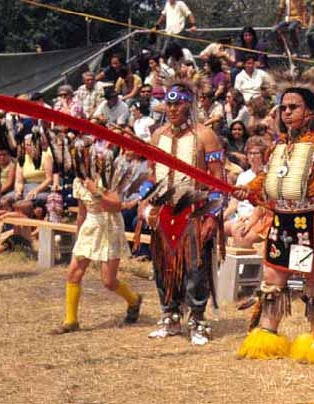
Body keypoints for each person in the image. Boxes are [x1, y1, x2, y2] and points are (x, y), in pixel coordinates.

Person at [234, 74, 314, 364]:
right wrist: (248, 189)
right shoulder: (284, 142)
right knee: (273, 279)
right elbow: (269, 177)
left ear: (310, 109)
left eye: (293, 107)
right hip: (284, 222)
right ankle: (267, 336)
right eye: (283, 108)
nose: (286, 113)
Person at [143, 82, 224, 345]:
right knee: (164, 266)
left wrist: (212, 216)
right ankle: (170, 316)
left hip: (195, 209)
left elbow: (217, 179)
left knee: (195, 267)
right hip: (165, 209)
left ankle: (197, 320)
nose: (173, 108)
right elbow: (152, 174)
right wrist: (145, 202)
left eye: (178, 103)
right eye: (169, 103)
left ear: (189, 103)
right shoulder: (157, 136)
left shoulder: (205, 136)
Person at [53, 146, 142, 334]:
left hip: (110, 227)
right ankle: (71, 320)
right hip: (91, 225)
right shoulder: (79, 181)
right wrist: (79, 235)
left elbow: (115, 206)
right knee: (73, 273)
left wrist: (95, 190)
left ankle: (133, 300)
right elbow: (82, 211)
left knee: (108, 281)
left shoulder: (109, 180)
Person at [224, 136, 271, 248]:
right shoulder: (243, 176)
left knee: (239, 232)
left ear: (263, 155)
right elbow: (233, 204)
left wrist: (250, 219)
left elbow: (265, 206)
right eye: (250, 153)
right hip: (239, 216)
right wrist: (222, 216)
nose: (252, 157)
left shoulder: (268, 175)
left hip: (258, 217)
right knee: (218, 228)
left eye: (256, 153)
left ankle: (247, 265)